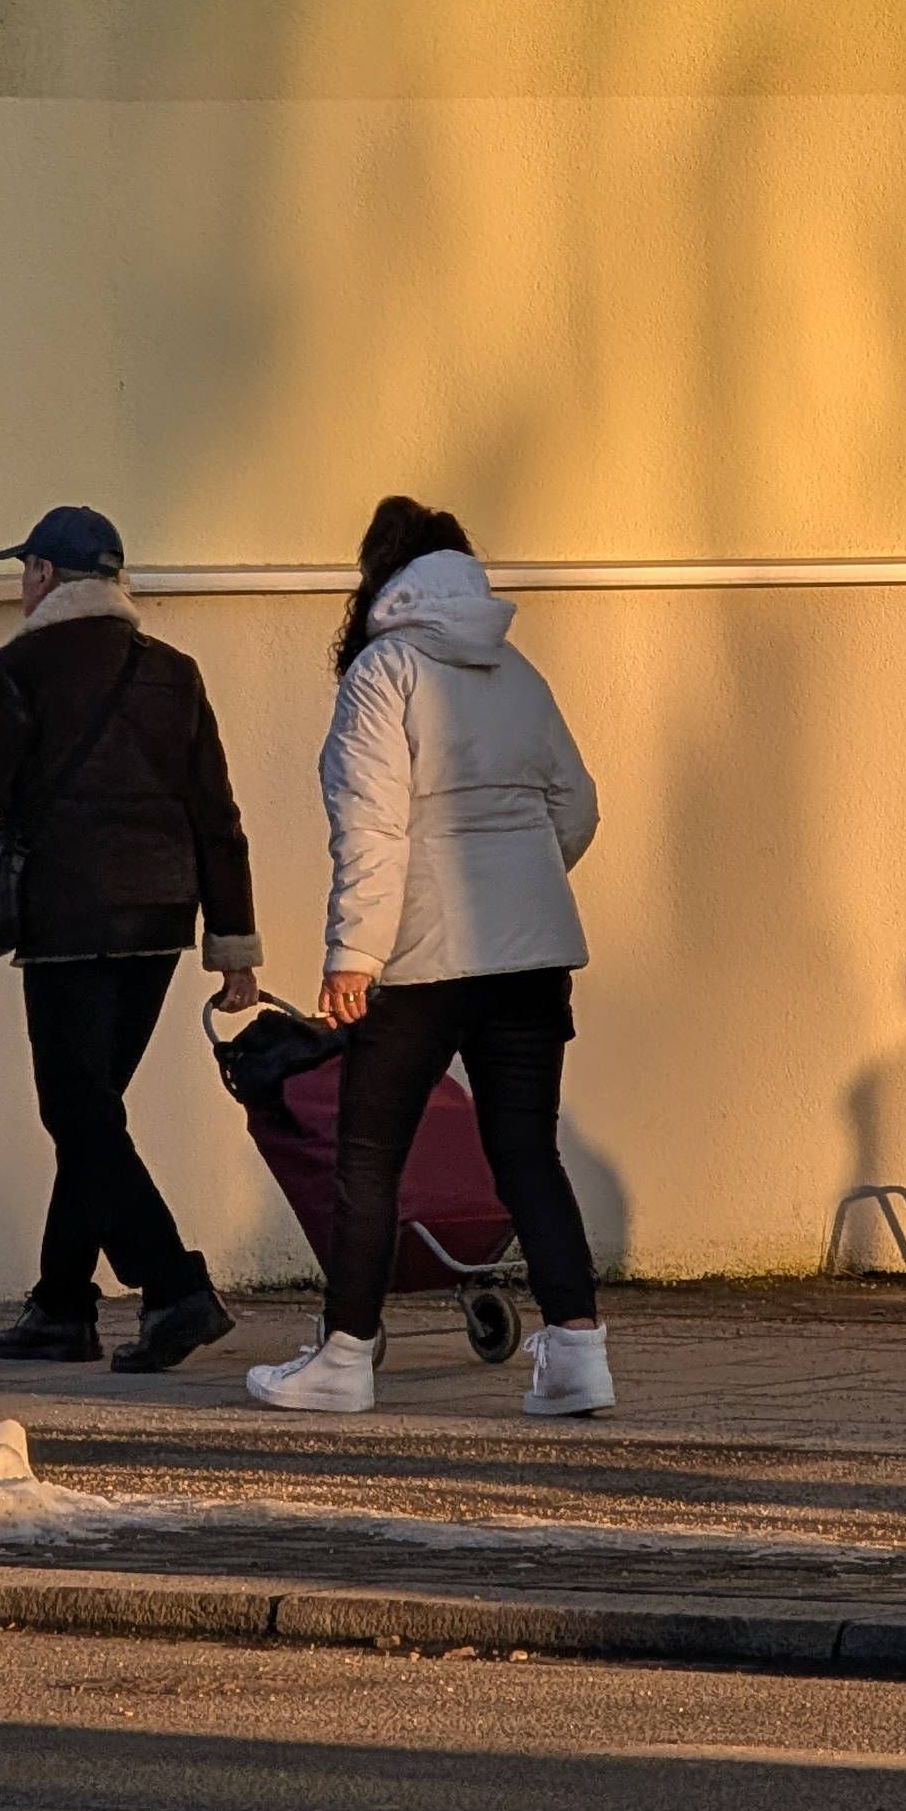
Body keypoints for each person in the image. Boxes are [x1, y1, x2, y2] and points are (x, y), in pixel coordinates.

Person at [0, 504, 262, 1372]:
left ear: (44, 574)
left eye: (25, 570)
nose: (20, 585)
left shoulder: (20, 670)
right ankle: (61, 1306)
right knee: (92, 1114)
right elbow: (217, 817)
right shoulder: (173, 674)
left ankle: (174, 1287)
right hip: (159, 921)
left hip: (70, 920)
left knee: (77, 1114)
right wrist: (233, 943)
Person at [249, 498, 613, 1418]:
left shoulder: (384, 672)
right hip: (532, 959)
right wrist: (522, 888)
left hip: (420, 961)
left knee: (368, 1153)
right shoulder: (518, 671)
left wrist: (353, 955)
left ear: (384, 580)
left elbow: (370, 827)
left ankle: (344, 1358)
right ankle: (578, 1357)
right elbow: (577, 807)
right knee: (527, 1153)